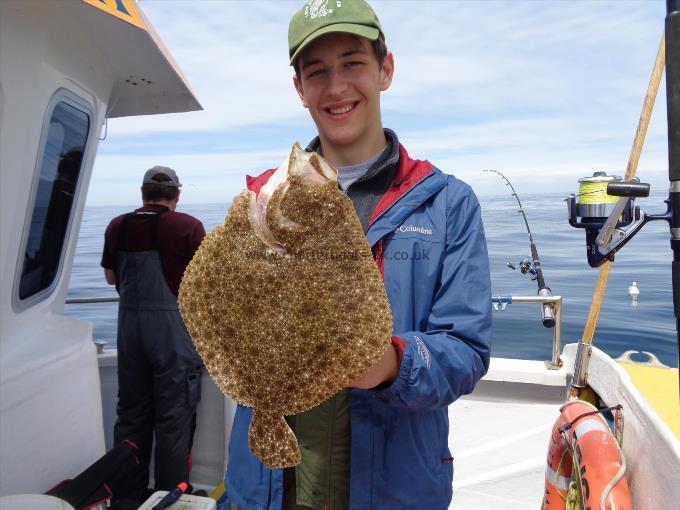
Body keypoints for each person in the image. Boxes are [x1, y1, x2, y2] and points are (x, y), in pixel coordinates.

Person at [219, 1, 492, 508]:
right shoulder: (261, 202)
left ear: (385, 70)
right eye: (317, 72)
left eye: (353, 63)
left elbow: (467, 353)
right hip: (271, 486)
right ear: (300, 89)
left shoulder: (447, 204)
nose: (337, 87)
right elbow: (224, 316)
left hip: (391, 488)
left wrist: (392, 364)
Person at [101, 166, 206, 504]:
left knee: (130, 415)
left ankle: (125, 498)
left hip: (130, 332)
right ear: (176, 195)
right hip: (172, 336)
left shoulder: (117, 225)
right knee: (174, 417)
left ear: (142, 193)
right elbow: (206, 285)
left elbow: (110, 278)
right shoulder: (188, 227)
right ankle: (167, 499)